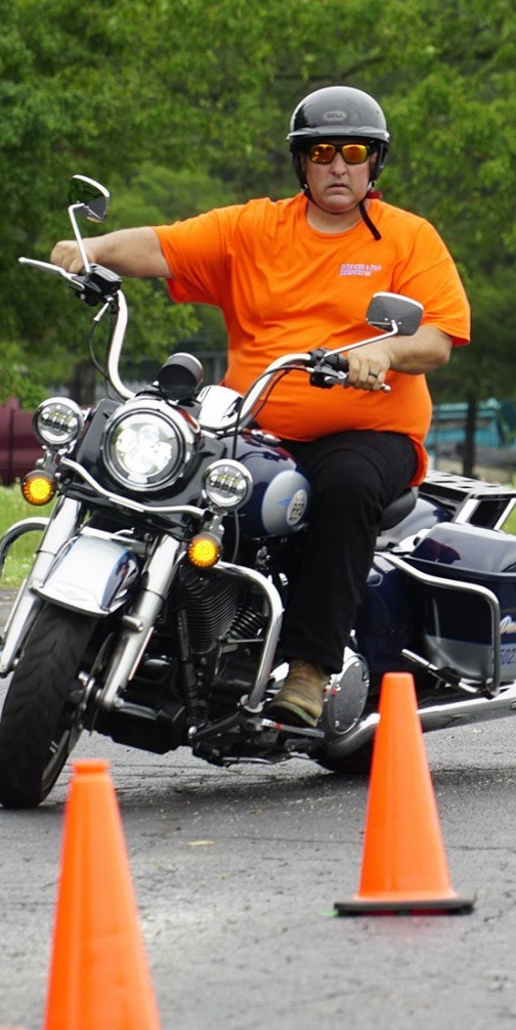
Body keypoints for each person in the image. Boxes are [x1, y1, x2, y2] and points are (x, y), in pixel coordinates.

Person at [49, 85, 471, 727]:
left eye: (353, 152)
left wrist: (382, 355)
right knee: (163, 470)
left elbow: (437, 337)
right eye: (322, 151)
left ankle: (308, 671)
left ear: (374, 162)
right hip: (255, 425)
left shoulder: (407, 239)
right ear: (301, 162)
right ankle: (165, 636)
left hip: (367, 429)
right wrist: (92, 251)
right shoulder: (253, 228)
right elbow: (164, 247)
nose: (338, 165)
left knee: (348, 484)